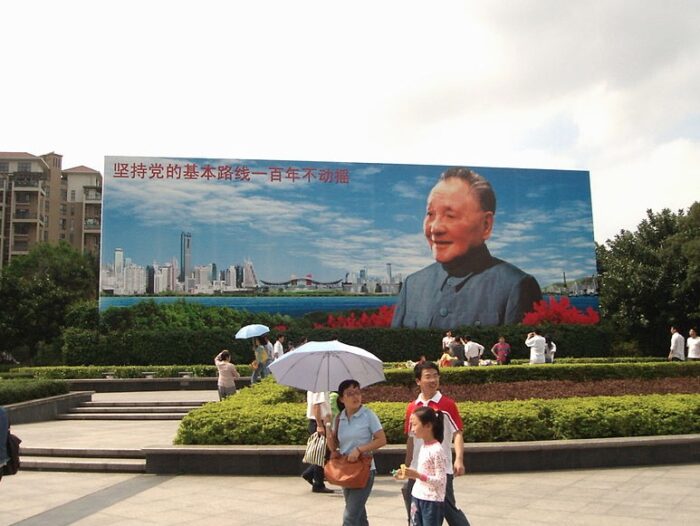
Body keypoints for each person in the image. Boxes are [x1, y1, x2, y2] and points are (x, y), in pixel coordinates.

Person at [391, 167, 542, 329]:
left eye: (450, 215)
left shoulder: (516, 285)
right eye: (430, 214)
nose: (435, 228)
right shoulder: (413, 284)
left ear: (486, 225)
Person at [402, 362, 470, 526]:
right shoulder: (412, 407)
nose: (433, 380)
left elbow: (457, 433)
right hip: (417, 467)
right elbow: (411, 438)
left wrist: (458, 459)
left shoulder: (447, 405)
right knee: (414, 508)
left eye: (435, 375)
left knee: (448, 508)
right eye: (428, 376)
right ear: (418, 381)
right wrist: (407, 464)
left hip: (440, 469)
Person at [327, 379, 387, 526]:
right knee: (359, 517)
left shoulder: (368, 415)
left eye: (357, 392)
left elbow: (381, 440)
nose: (355, 397)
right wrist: (328, 433)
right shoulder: (339, 418)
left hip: (364, 470)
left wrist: (360, 449)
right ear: (341, 398)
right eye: (350, 394)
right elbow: (334, 447)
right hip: (346, 469)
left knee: (349, 517)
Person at [397, 406, 447, 526]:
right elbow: (422, 473)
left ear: (428, 426)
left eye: (414, 425)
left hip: (432, 502)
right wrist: (408, 474)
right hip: (417, 496)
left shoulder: (437, 450)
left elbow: (440, 481)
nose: (412, 429)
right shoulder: (424, 447)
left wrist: (418, 475)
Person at [301, 391, 334, 494]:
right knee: (323, 454)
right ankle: (318, 484)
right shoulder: (319, 387)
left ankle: (310, 474)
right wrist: (319, 425)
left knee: (323, 453)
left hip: (320, 422)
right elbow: (316, 405)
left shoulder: (317, 386)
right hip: (319, 423)